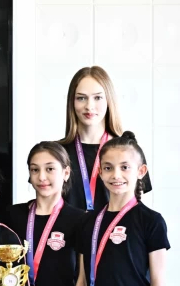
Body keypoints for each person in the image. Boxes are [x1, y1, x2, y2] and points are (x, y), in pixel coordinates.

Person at [67, 132, 168, 286]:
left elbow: (159, 283)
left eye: (125, 167)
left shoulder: (151, 221)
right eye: (108, 168)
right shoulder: (88, 222)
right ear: (100, 173)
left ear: (141, 171)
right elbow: (82, 281)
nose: (116, 175)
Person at [4, 142, 84, 286]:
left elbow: (82, 282)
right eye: (35, 169)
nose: (41, 177)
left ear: (65, 173)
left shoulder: (80, 220)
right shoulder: (12, 215)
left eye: (49, 169)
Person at [59, 66, 151, 211]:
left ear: (109, 100)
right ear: (72, 102)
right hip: (69, 227)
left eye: (98, 98)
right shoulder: (57, 152)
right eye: (81, 98)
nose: (89, 106)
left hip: (115, 226)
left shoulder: (128, 149)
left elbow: (136, 206)